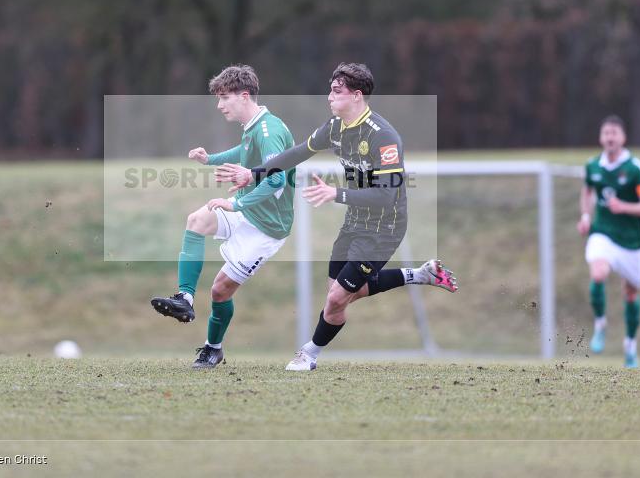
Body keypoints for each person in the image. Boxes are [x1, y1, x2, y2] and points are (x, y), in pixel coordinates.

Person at [216, 62, 457, 371]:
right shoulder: (335, 127)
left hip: (385, 227)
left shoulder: (384, 137)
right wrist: (255, 173)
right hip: (355, 220)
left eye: (336, 92)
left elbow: (386, 195)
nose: (329, 97)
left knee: (336, 300)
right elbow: (299, 152)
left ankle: (309, 353)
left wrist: (335, 194)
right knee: (342, 293)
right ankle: (420, 275)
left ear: (357, 96)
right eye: (330, 90)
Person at [150, 65, 295, 369]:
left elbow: (276, 181)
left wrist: (237, 206)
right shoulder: (254, 126)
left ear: (244, 96)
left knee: (220, 290)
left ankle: (213, 348)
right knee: (196, 220)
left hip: (266, 228)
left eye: (224, 98)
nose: (219, 105)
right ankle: (185, 300)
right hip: (246, 207)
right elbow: (243, 153)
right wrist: (210, 160)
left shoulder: (269, 131)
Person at [577, 115, 640, 369]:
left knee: (631, 293)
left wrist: (623, 206)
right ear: (601, 138)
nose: (610, 138)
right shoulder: (592, 166)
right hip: (603, 232)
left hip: (632, 241)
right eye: (606, 133)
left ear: (623, 138)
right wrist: (585, 216)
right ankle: (600, 324)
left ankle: (630, 346)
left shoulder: (636, 169)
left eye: (614, 133)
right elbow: (588, 191)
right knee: (598, 273)